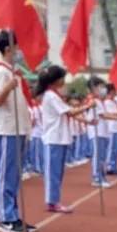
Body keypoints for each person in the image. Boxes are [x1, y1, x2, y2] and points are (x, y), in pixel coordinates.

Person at [0, 31, 36, 232]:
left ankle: (13, 214)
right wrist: (9, 86)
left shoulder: (13, 72)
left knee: (14, 176)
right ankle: (5, 218)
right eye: (18, 47)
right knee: (5, 175)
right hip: (6, 131)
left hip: (17, 130)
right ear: (9, 49)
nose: (21, 52)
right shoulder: (2, 73)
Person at [37, 65, 91, 214]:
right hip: (53, 138)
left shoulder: (55, 95)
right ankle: (52, 201)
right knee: (53, 172)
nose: (64, 81)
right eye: (62, 78)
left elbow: (69, 112)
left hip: (60, 138)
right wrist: (87, 106)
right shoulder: (50, 96)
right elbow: (71, 112)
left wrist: (86, 119)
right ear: (56, 80)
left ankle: (54, 200)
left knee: (58, 172)